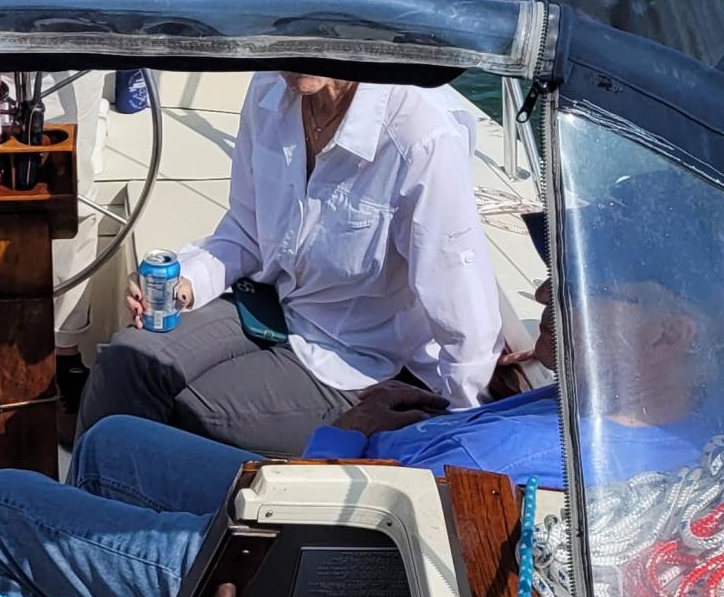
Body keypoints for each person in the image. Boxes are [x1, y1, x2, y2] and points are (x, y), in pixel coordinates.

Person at [0, 280, 715, 597]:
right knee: (111, 444)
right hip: (333, 517)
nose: (546, 294)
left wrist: (352, 426)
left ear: (670, 332)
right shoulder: (650, 417)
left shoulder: (511, 459)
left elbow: (312, 508)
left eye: (582, 282)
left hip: (283, 573)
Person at [78, 70, 502, 455]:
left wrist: (455, 435)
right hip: (273, 306)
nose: (296, 53)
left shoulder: (421, 135)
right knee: (127, 361)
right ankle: (84, 510)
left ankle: (130, 506)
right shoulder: (270, 88)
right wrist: (186, 280)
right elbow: (247, 229)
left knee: (189, 408)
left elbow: (463, 305)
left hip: (358, 361)